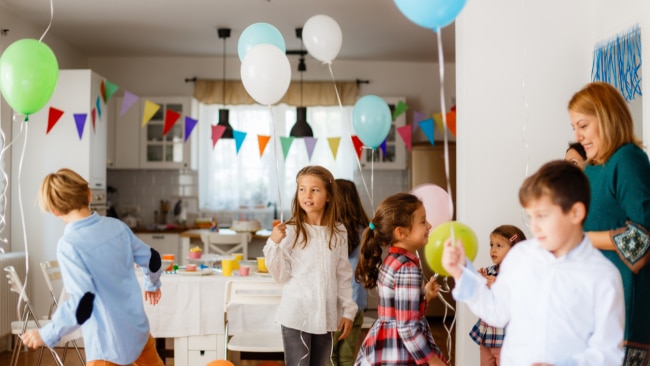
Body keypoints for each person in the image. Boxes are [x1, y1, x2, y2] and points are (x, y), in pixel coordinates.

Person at [442, 160, 625, 365]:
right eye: (531, 217)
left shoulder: (603, 276)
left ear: (575, 213)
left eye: (542, 216)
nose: (535, 227)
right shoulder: (520, 257)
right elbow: (497, 311)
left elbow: (608, 352)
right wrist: (461, 272)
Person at [20, 168, 164, 366]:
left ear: (55, 211)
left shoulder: (69, 244)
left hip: (107, 346)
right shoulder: (117, 226)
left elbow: (83, 304)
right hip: (138, 333)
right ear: (88, 195)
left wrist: (47, 334)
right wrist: (152, 284)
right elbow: (153, 259)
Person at [568, 81, 650, 364]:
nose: (579, 137)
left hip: (624, 307)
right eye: (574, 128)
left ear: (606, 118)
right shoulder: (592, 168)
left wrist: (581, 239)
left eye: (583, 126)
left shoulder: (627, 160)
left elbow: (642, 239)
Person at [264, 166, 357, 366]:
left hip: (326, 315)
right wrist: (273, 243)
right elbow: (280, 275)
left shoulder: (339, 231)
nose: (307, 195)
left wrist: (349, 311)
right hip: (297, 316)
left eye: (315, 189)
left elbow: (343, 275)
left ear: (329, 196)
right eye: (302, 189)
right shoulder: (290, 230)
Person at [355, 193, 447, 366]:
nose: (429, 225)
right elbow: (407, 328)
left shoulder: (393, 260)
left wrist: (424, 296)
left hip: (389, 343)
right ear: (401, 232)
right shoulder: (407, 269)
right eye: (423, 221)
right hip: (400, 350)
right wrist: (434, 362)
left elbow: (400, 311)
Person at [470, 225, 526, 366]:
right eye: (491, 245)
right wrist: (479, 282)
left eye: (499, 246)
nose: (493, 250)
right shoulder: (489, 272)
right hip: (486, 337)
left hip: (505, 341)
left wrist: (498, 286)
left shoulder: (519, 276)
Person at [329, 179, 370, 366]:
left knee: (329, 357)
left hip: (336, 305)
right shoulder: (365, 231)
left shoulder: (333, 232)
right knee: (345, 357)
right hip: (357, 304)